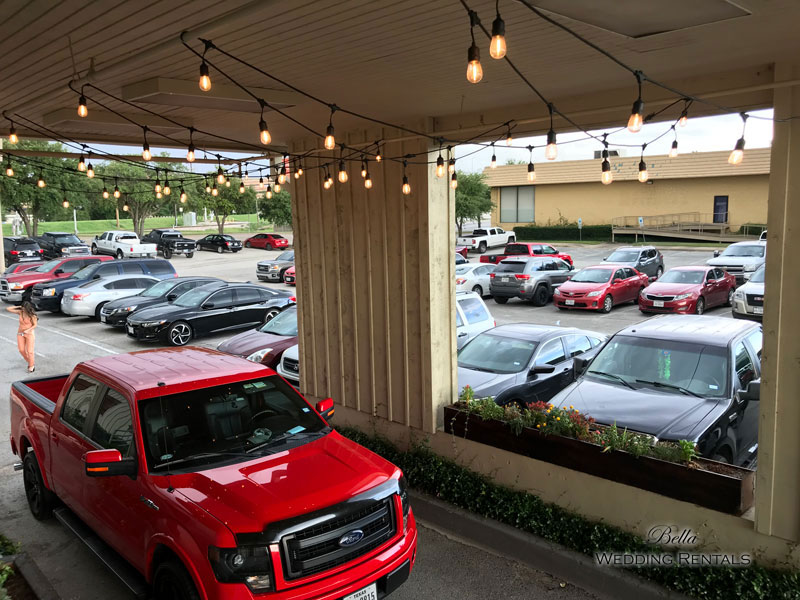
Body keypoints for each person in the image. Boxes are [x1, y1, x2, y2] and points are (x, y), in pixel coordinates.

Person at [7, 301, 37, 372]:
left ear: (27, 308)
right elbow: (8, 308)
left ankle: (31, 365)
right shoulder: (20, 312)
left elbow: (35, 325)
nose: (23, 310)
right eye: (22, 308)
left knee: (30, 351)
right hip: (20, 333)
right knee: (21, 350)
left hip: (29, 334)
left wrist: (28, 330)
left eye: (24, 309)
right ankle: (30, 362)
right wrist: (19, 306)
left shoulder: (32, 315)